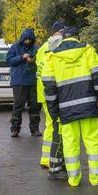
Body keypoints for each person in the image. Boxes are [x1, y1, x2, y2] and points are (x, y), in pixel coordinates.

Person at [41, 25, 98, 187]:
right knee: (92, 141)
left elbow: (49, 87)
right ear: (78, 37)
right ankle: (96, 178)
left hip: (66, 109)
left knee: (70, 143)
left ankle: (74, 179)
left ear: (63, 38)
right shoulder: (88, 51)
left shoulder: (53, 57)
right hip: (88, 106)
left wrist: (54, 111)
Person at [36, 21, 66, 170]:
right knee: (53, 126)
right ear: (54, 33)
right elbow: (48, 74)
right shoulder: (51, 48)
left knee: (50, 124)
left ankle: (47, 157)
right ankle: (49, 159)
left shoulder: (43, 48)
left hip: (45, 92)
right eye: (61, 31)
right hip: (49, 92)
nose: (63, 34)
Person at [6, 28, 41, 137]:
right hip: (19, 81)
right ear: (22, 39)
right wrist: (22, 57)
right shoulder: (15, 47)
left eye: (30, 40)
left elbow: (41, 60)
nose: (28, 42)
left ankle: (35, 129)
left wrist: (33, 60)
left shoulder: (36, 48)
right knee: (18, 106)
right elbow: (9, 60)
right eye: (26, 39)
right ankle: (15, 129)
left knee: (35, 106)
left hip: (33, 81)